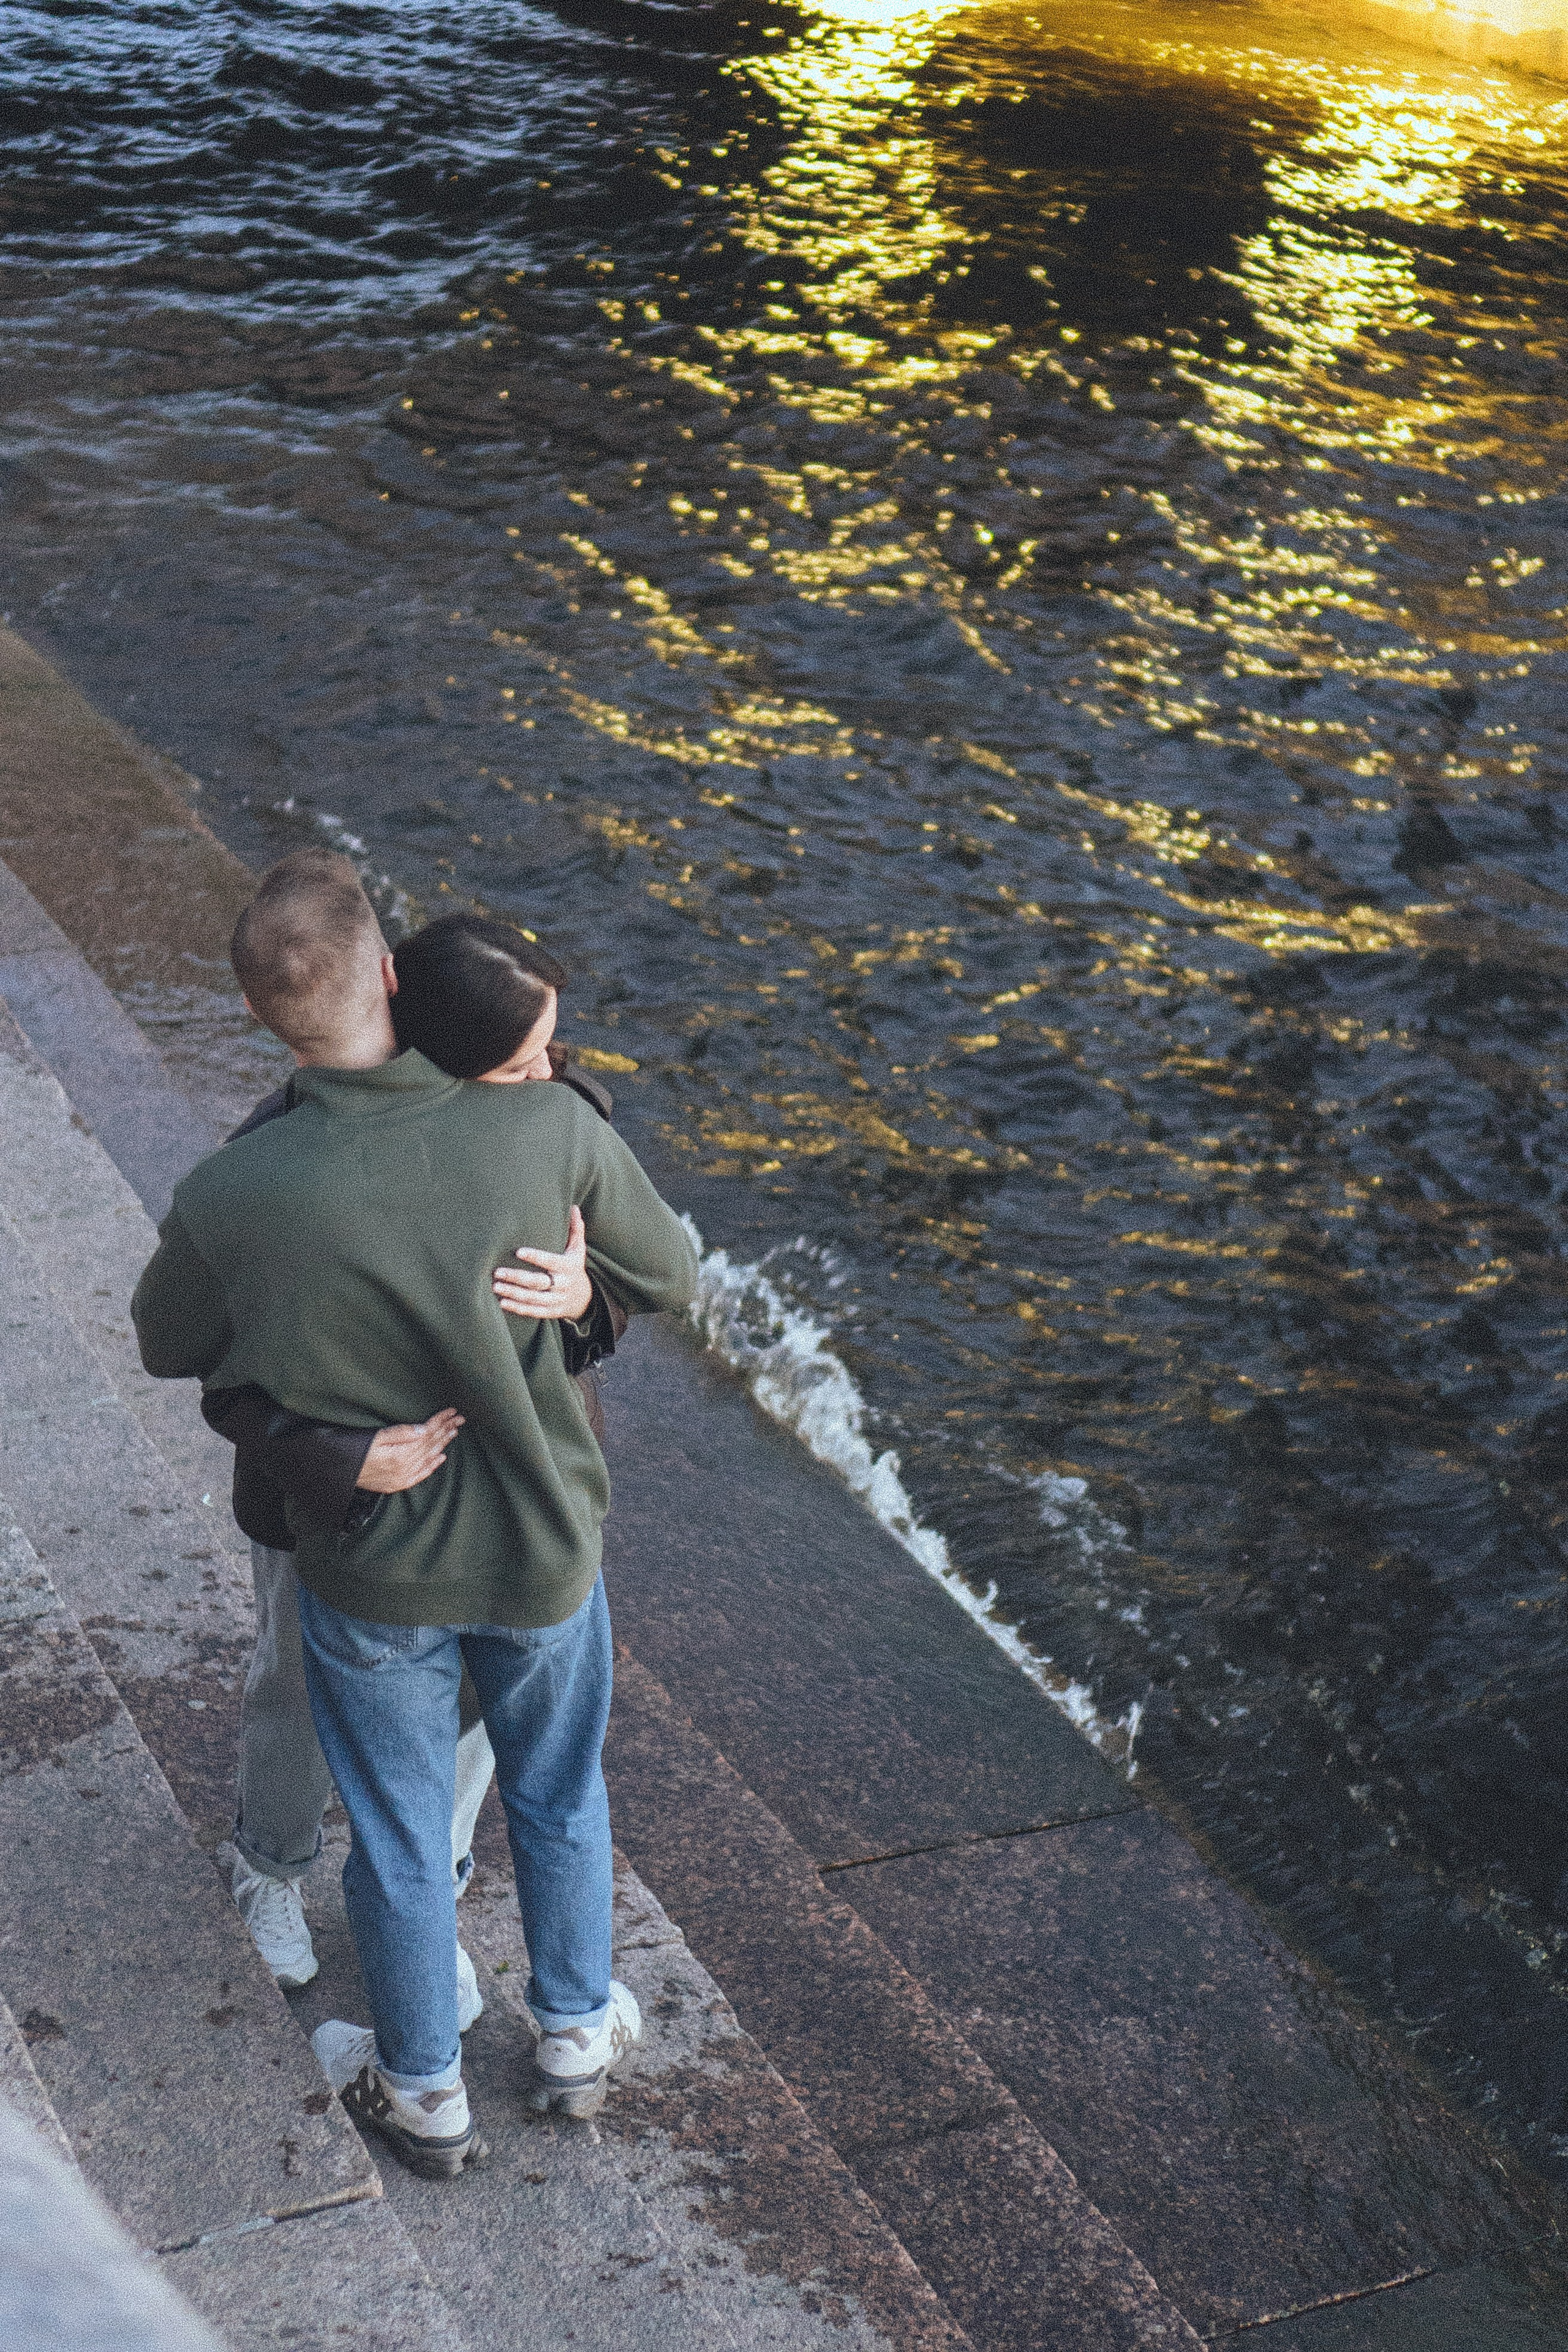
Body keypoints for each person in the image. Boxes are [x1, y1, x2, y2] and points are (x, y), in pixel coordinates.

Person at [132, 886, 697, 2177]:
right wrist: (582, 1288)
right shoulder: (546, 1122)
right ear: (392, 973)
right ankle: (570, 2038)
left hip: (374, 1567)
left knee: (391, 1832)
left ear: (262, 1016)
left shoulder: (237, 1189)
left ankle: (421, 2091)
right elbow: (667, 1267)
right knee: (557, 1792)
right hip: (543, 1546)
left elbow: (169, 1342)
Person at [199, 852, 624, 1999]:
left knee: (488, 1706)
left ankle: (422, 1890)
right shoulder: (270, 1155)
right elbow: (217, 1361)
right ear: (383, 978)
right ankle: (274, 1865)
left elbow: (628, 1258)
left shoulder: (531, 1094)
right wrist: (336, 1454)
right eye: (535, 1058)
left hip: (507, 1478)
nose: (544, 1073)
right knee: (291, 1677)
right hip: (335, 1503)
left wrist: (591, 1300)